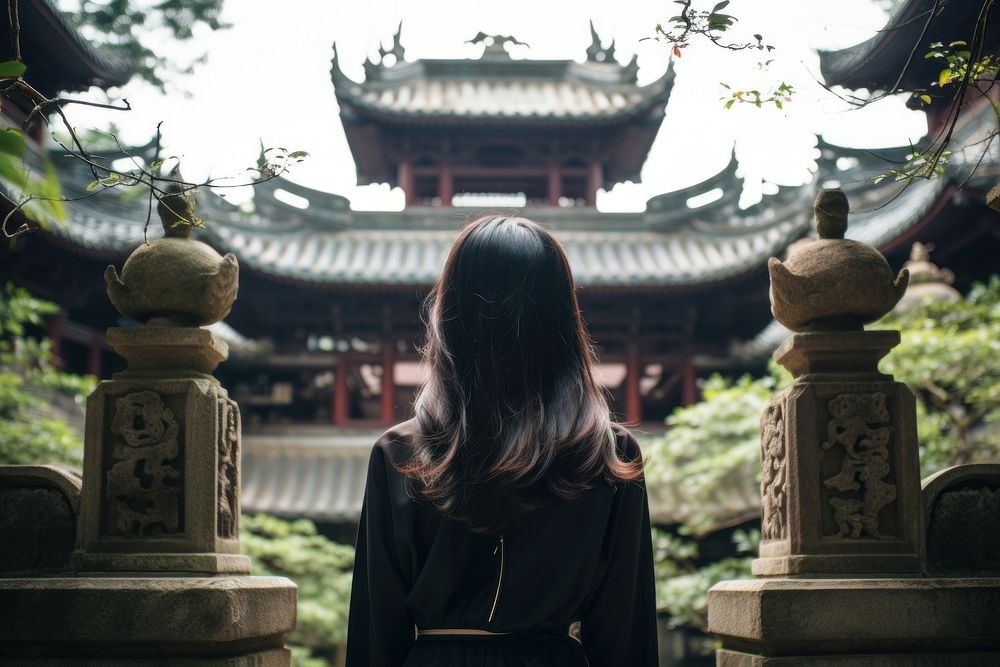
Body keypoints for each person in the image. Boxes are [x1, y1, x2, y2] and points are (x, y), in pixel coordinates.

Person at [346, 215, 659, 666]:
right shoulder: (609, 453)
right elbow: (624, 631)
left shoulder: (400, 453)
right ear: (562, 320)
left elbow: (377, 629)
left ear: (451, 315)